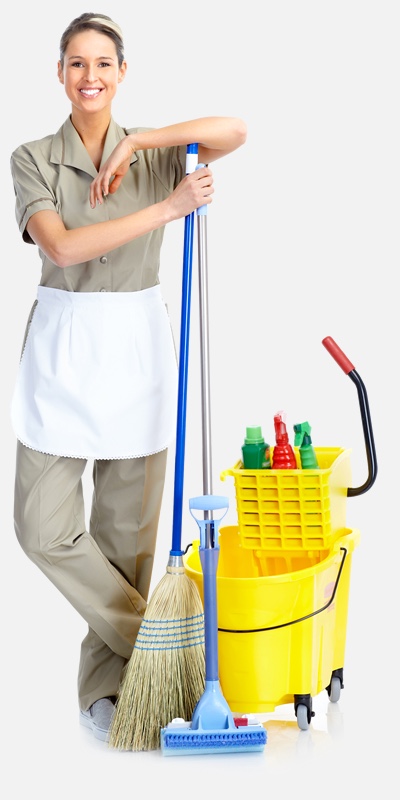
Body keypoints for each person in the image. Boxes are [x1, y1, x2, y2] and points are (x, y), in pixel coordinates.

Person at [10, 11, 246, 742]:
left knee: (124, 543)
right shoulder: (33, 158)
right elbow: (62, 247)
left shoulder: (151, 153)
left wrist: (143, 141)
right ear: (59, 73)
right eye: (77, 63)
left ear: (121, 73)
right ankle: (163, 644)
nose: (90, 76)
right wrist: (170, 208)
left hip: (136, 358)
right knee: (42, 529)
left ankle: (107, 694)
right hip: (64, 354)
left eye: (103, 64)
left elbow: (235, 129)